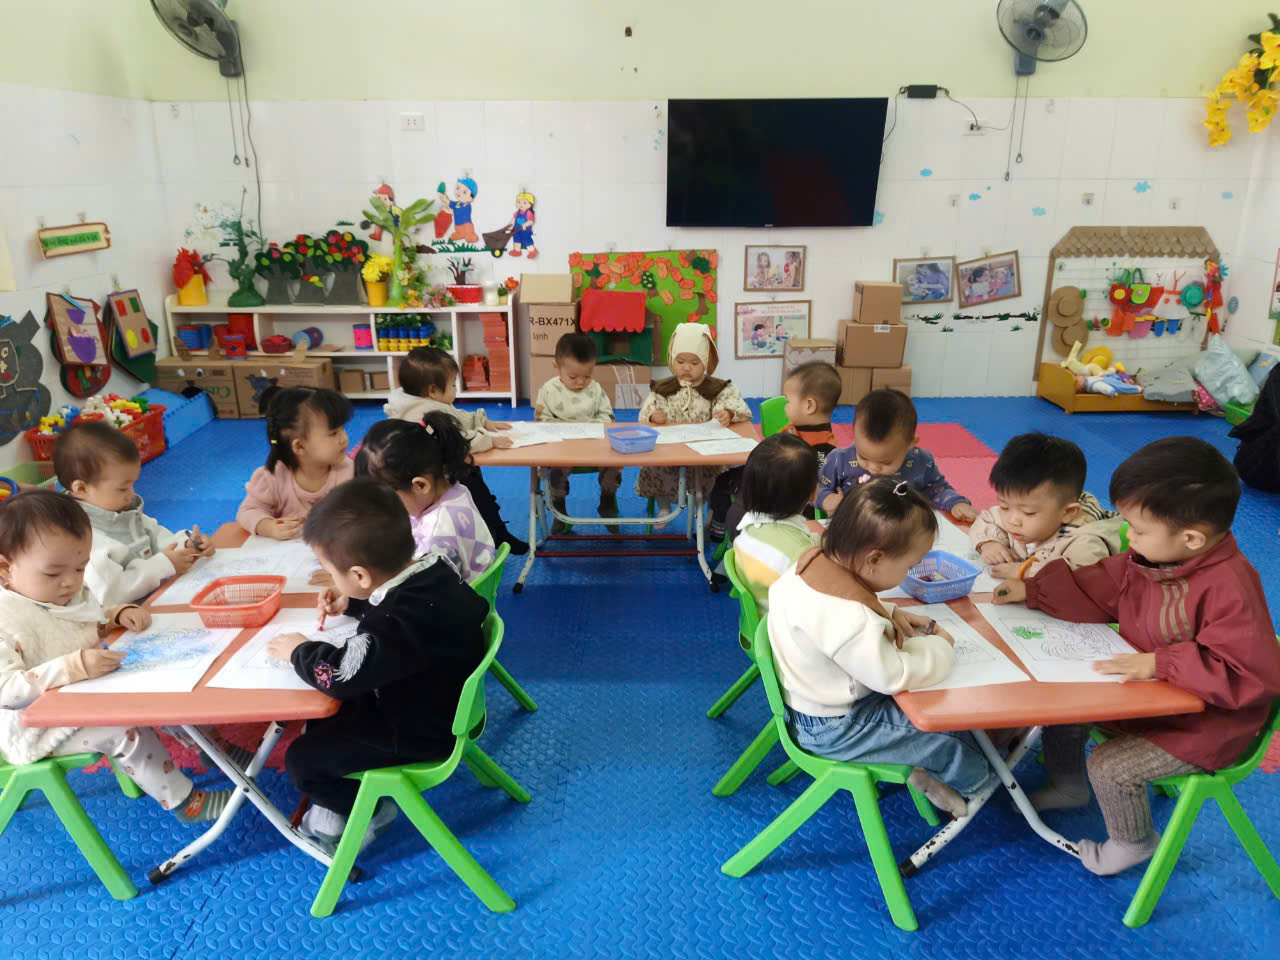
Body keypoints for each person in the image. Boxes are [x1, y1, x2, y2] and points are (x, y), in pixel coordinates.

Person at [993, 437, 1280, 876]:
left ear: (1191, 538)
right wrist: (1032, 590)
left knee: (1110, 767)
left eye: (1139, 530)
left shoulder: (1230, 587)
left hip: (1208, 725)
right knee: (1067, 707)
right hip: (1153, 701)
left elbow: (1248, 674)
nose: (1129, 537)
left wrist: (1162, 663)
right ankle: (1069, 785)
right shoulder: (1155, 558)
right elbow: (1098, 586)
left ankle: (1134, 842)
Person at [268, 479, 488, 854]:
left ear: (359, 575)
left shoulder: (393, 623)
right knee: (324, 719)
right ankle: (344, 803)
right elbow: (402, 614)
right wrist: (354, 603)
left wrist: (298, 650)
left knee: (301, 760)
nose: (331, 578)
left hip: (422, 732)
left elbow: (337, 675)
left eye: (331, 571)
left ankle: (370, 809)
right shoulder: (434, 570)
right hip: (438, 702)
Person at [767, 478, 995, 817]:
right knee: (948, 739)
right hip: (836, 728)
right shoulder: (852, 619)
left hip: (812, 703)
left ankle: (918, 768)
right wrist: (940, 647)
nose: (910, 572)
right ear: (874, 559)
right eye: (909, 566)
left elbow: (831, 614)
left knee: (941, 719)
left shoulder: (811, 561)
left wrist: (887, 612)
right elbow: (893, 675)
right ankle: (986, 789)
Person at [0, 490, 232, 822]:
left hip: (81, 694)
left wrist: (115, 615)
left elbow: (82, 619)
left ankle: (214, 750)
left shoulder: (54, 590)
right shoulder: (5, 617)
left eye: (80, 568)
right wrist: (74, 666)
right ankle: (185, 802)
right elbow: (6, 691)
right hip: (36, 728)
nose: (70, 583)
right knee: (123, 728)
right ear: (5, 569)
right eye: (53, 574)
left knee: (161, 688)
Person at [54, 421, 214, 606]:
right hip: (123, 617)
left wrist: (187, 545)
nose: (132, 494)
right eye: (122, 488)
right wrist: (163, 566)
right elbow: (110, 595)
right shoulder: (82, 537)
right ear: (82, 489)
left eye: (132, 484)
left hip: (157, 598)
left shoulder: (121, 510)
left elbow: (157, 537)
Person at [384, 346, 527, 554]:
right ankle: (494, 531)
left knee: (475, 479)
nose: (455, 389)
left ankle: (495, 528)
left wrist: (481, 421)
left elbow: (456, 417)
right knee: (475, 486)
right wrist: (490, 441)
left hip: (439, 465)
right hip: (431, 475)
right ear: (433, 390)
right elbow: (457, 440)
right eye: (452, 384)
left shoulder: (426, 401)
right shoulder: (422, 412)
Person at [637, 323, 752, 530]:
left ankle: (710, 510)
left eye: (694, 362)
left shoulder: (718, 388)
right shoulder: (663, 388)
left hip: (705, 450)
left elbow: (738, 406)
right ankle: (664, 507)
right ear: (672, 359)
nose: (686, 368)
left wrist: (727, 414)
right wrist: (653, 415)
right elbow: (645, 412)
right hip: (670, 450)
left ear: (706, 362)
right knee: (653, 466)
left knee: (718, 473)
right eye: (680, 361)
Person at [356, 413, 496, 583]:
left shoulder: (437, 537)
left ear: (420, 486)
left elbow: (418, 586)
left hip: (454, 594)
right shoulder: (455, 490)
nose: (387, 509)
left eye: (389, 501)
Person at [969, 432, 1122, 581]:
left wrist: (1025, 571)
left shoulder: (1084, 542)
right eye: (1004, 506)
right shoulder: (1021, 511)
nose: (1012, 520)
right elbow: (987, 518)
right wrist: (988, 543)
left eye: (1028, 513)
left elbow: (1086, 578)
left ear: (1068, 512)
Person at [817, 388, 976, 522]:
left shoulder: (921, 462)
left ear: (910, 443)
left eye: (886, 462)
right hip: (853, 528)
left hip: (901, 530)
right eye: (863, 457)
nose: (873, 468)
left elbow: (937, 490)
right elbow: (816, 489)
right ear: (854, 436)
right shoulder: (839, 459)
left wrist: (955, 503)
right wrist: (826, 499)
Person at [236, 387, 355, 539]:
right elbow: (248, 511)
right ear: (299, 446)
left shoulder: (350, 472)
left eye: (343, 428)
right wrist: (269, 527)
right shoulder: (272, 478)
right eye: (333, 433)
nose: (344, 438)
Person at [535, 334, 621, 534]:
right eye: (573, 377)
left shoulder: (596, 390)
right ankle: (560, 511)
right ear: (556, 366)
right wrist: (565, 430)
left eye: (587, 376)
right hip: (561, 449)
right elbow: (541, 421)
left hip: (594, 447)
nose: (581, 382)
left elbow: (608, 417)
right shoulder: (548, 391)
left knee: (615, 463)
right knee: (553, 471)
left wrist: (592, 426)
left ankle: (607, 502)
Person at [729, 434, 821, 615]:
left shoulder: (747, 529)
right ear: (812, 493)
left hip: (762, 617)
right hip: (785, 626)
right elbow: (817, 603)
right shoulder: (801, 556)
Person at [438, 177, 479, 245]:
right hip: (458, 226)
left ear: (471, 197)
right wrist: (444, 199)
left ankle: (470, 236)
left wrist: (447, 210)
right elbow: (450, 203)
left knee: (469, 235)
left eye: (464, 192)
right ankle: (460, 234)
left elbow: (458, 212)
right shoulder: (457, 203)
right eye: (457, 188)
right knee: (458, 233)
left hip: (466, 226)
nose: (459, 192)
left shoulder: (467, 206)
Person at [507, 191, 537, 258]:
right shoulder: (517, 212)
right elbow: (513, 219)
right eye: (518, 202)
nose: (521, 204)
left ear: (530, 204)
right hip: (516, 231)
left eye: (524, 203)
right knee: (516, 240)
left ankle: (532, 251)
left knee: (526, 241)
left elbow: (531, 221)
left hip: (525, 231)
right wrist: (511, 225)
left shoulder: (529, 213)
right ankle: (517, 251)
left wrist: (525, 224)